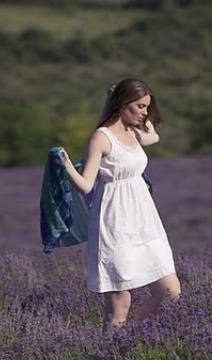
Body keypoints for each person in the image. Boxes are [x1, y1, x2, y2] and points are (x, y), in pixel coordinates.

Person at [61, 78, 181, 327]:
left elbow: (153, 137)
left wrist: (134, 112)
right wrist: (66, 166)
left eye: (147, 107)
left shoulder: (134, 131)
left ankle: (134, 337)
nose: (145, 113)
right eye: (139, 106)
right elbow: (86, 185)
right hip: (114, 223)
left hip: (145, 221)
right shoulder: (101, 138)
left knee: (170, 293)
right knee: (119, 306)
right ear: (122, 104)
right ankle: (113, 356)